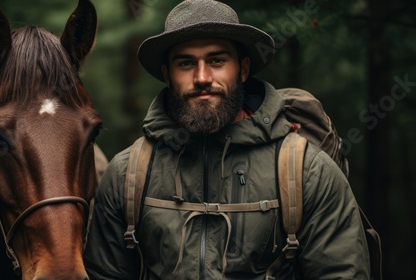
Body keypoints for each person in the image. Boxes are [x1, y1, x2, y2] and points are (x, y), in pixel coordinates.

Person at [83, 0, 370, 279]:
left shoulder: (307, 171)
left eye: (217, 60)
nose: (202, 77)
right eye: (185, 63)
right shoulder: (127, 175)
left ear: (243, 70)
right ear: (167, 75)